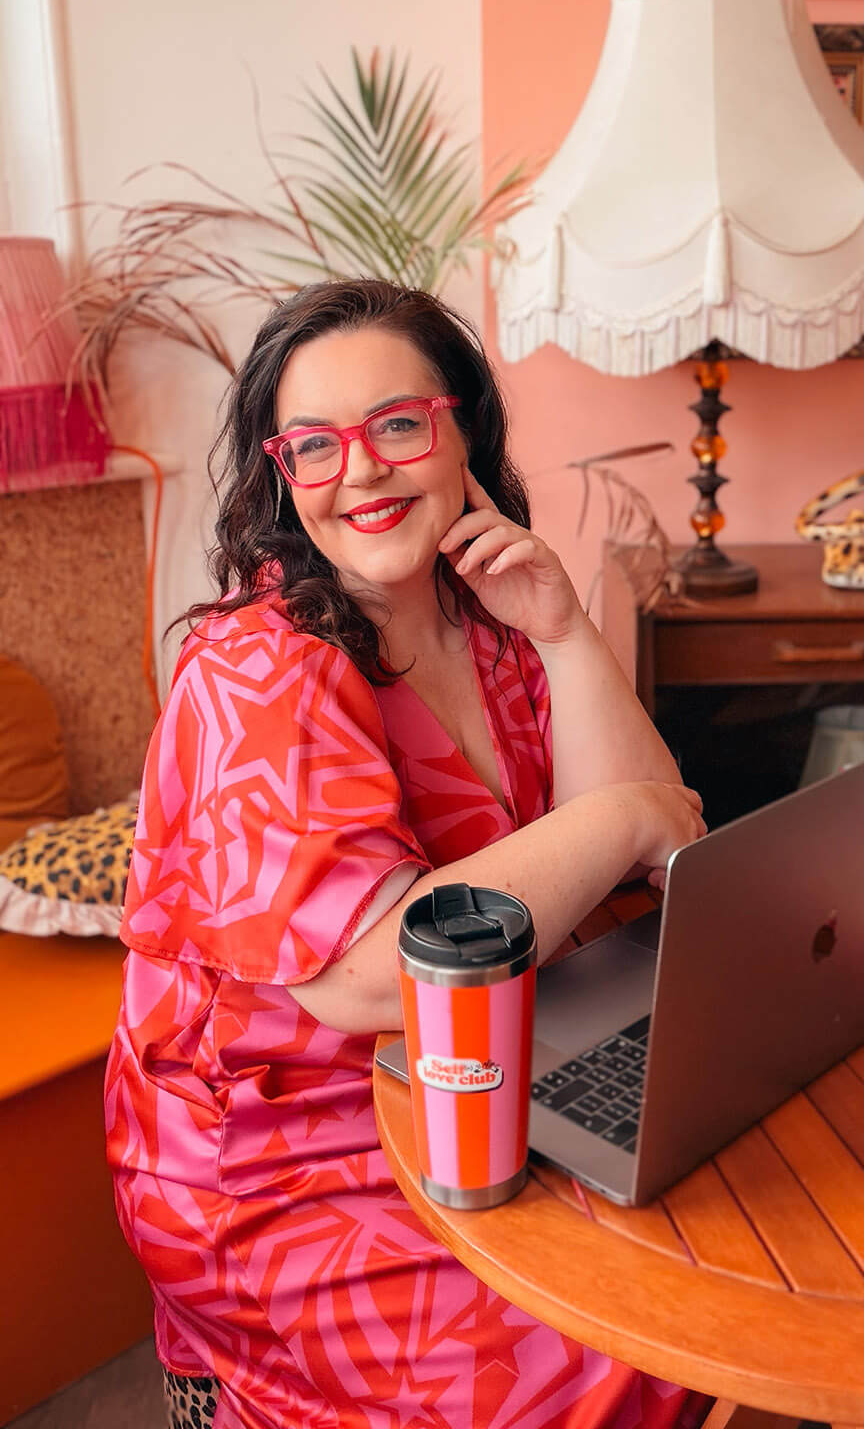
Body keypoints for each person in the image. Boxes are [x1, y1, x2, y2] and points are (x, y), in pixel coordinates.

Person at [104, 280, 710, 1429]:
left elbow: (643, 850)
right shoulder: (258, 670)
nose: (361, 471)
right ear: (283, 474)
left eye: (396, 425)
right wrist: (632, 817)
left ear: (459, 431)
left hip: (482, 1072)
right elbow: (369, 974)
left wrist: (566, 633)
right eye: (314, 445)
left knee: (716, 1248)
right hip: (289, 1144)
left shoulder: (483, 609)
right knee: (611, 1358)